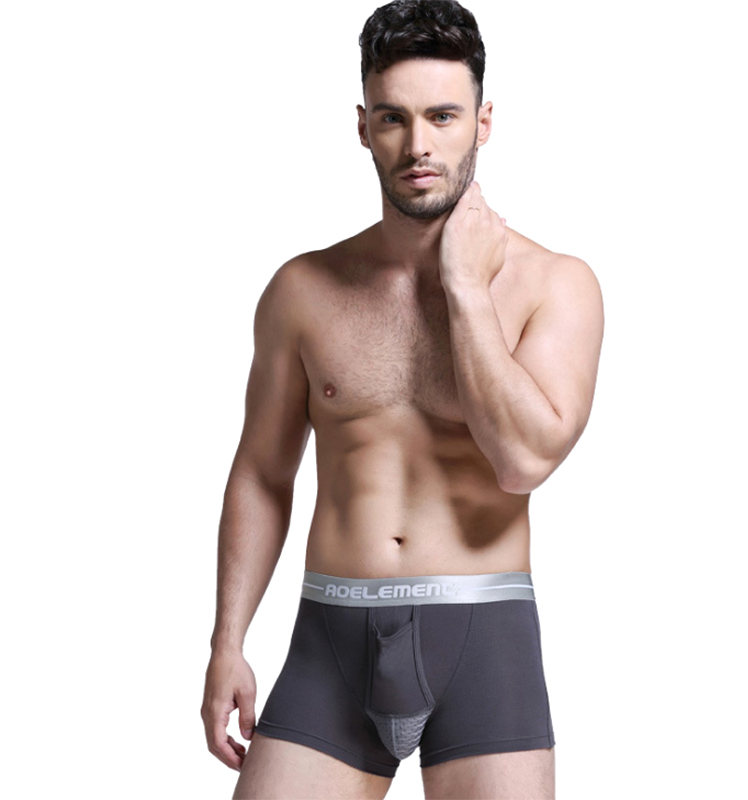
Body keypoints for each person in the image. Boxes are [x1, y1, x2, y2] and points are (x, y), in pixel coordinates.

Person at [201, 1, 604, 797]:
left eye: (443, 116)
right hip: (329, 638)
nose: (419, 145)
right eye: (394, 117)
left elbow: (523, 460)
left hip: (484, 638)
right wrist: (227, 642)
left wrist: (465, 289)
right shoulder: (303, 289)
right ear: (363, 126)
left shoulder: (555, 285)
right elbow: (262, 473)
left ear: (483, 122)